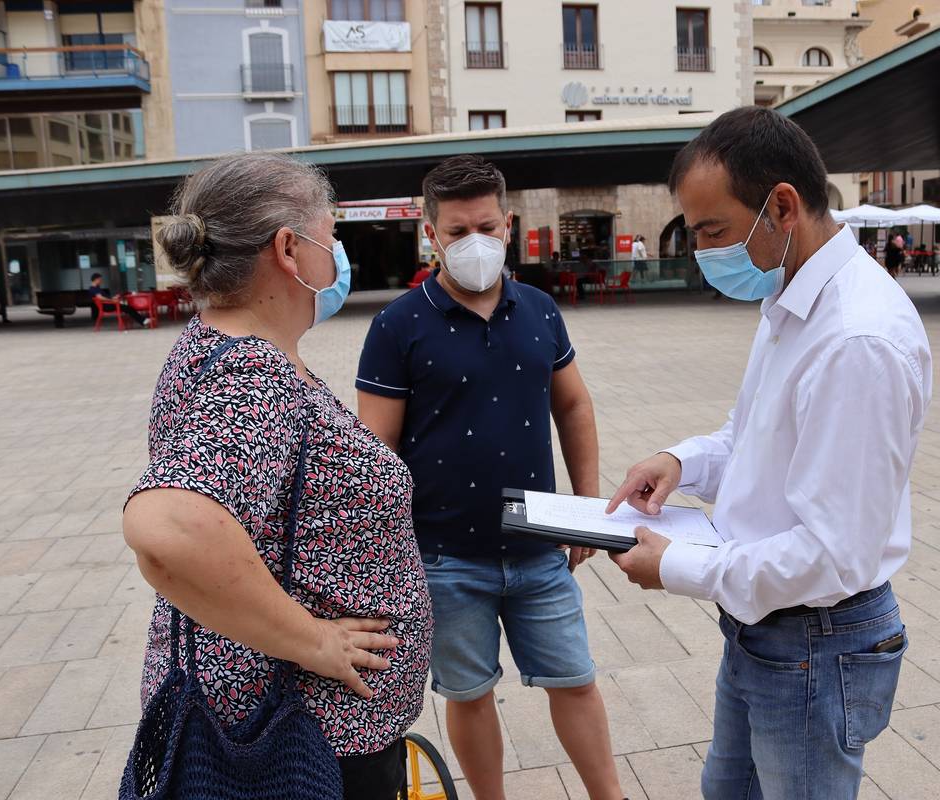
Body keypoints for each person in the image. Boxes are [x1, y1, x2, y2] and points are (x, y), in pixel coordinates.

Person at [605, 107, 932, 800]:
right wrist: (683, 461)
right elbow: (753, 435)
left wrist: (678, 565)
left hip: (816, 636)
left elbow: (832, 552)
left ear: (782, 206)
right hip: (767, 625)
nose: (702, 253)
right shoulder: (793, 299)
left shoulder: (856, 341)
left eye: (713, 231)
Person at [121, 152, 432, 800]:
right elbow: (170, 527)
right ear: (289, 249)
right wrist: (314, 641)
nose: (340, 253)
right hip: (299, 742)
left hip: (294, 723)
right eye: (333, 234)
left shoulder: (221, 347)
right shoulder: (251, 374)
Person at [355, 155, 624, 800]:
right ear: (431, 235)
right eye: (455, 232)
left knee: (576, 679)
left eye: (484, 226)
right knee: (470, 694)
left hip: (538, 545)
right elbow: (373, 452)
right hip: (444, 555)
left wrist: (584, 506)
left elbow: (574, 405)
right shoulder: (397, 326)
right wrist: (385, 558)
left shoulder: (538, 309)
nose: (473, 242)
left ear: (507, 224)